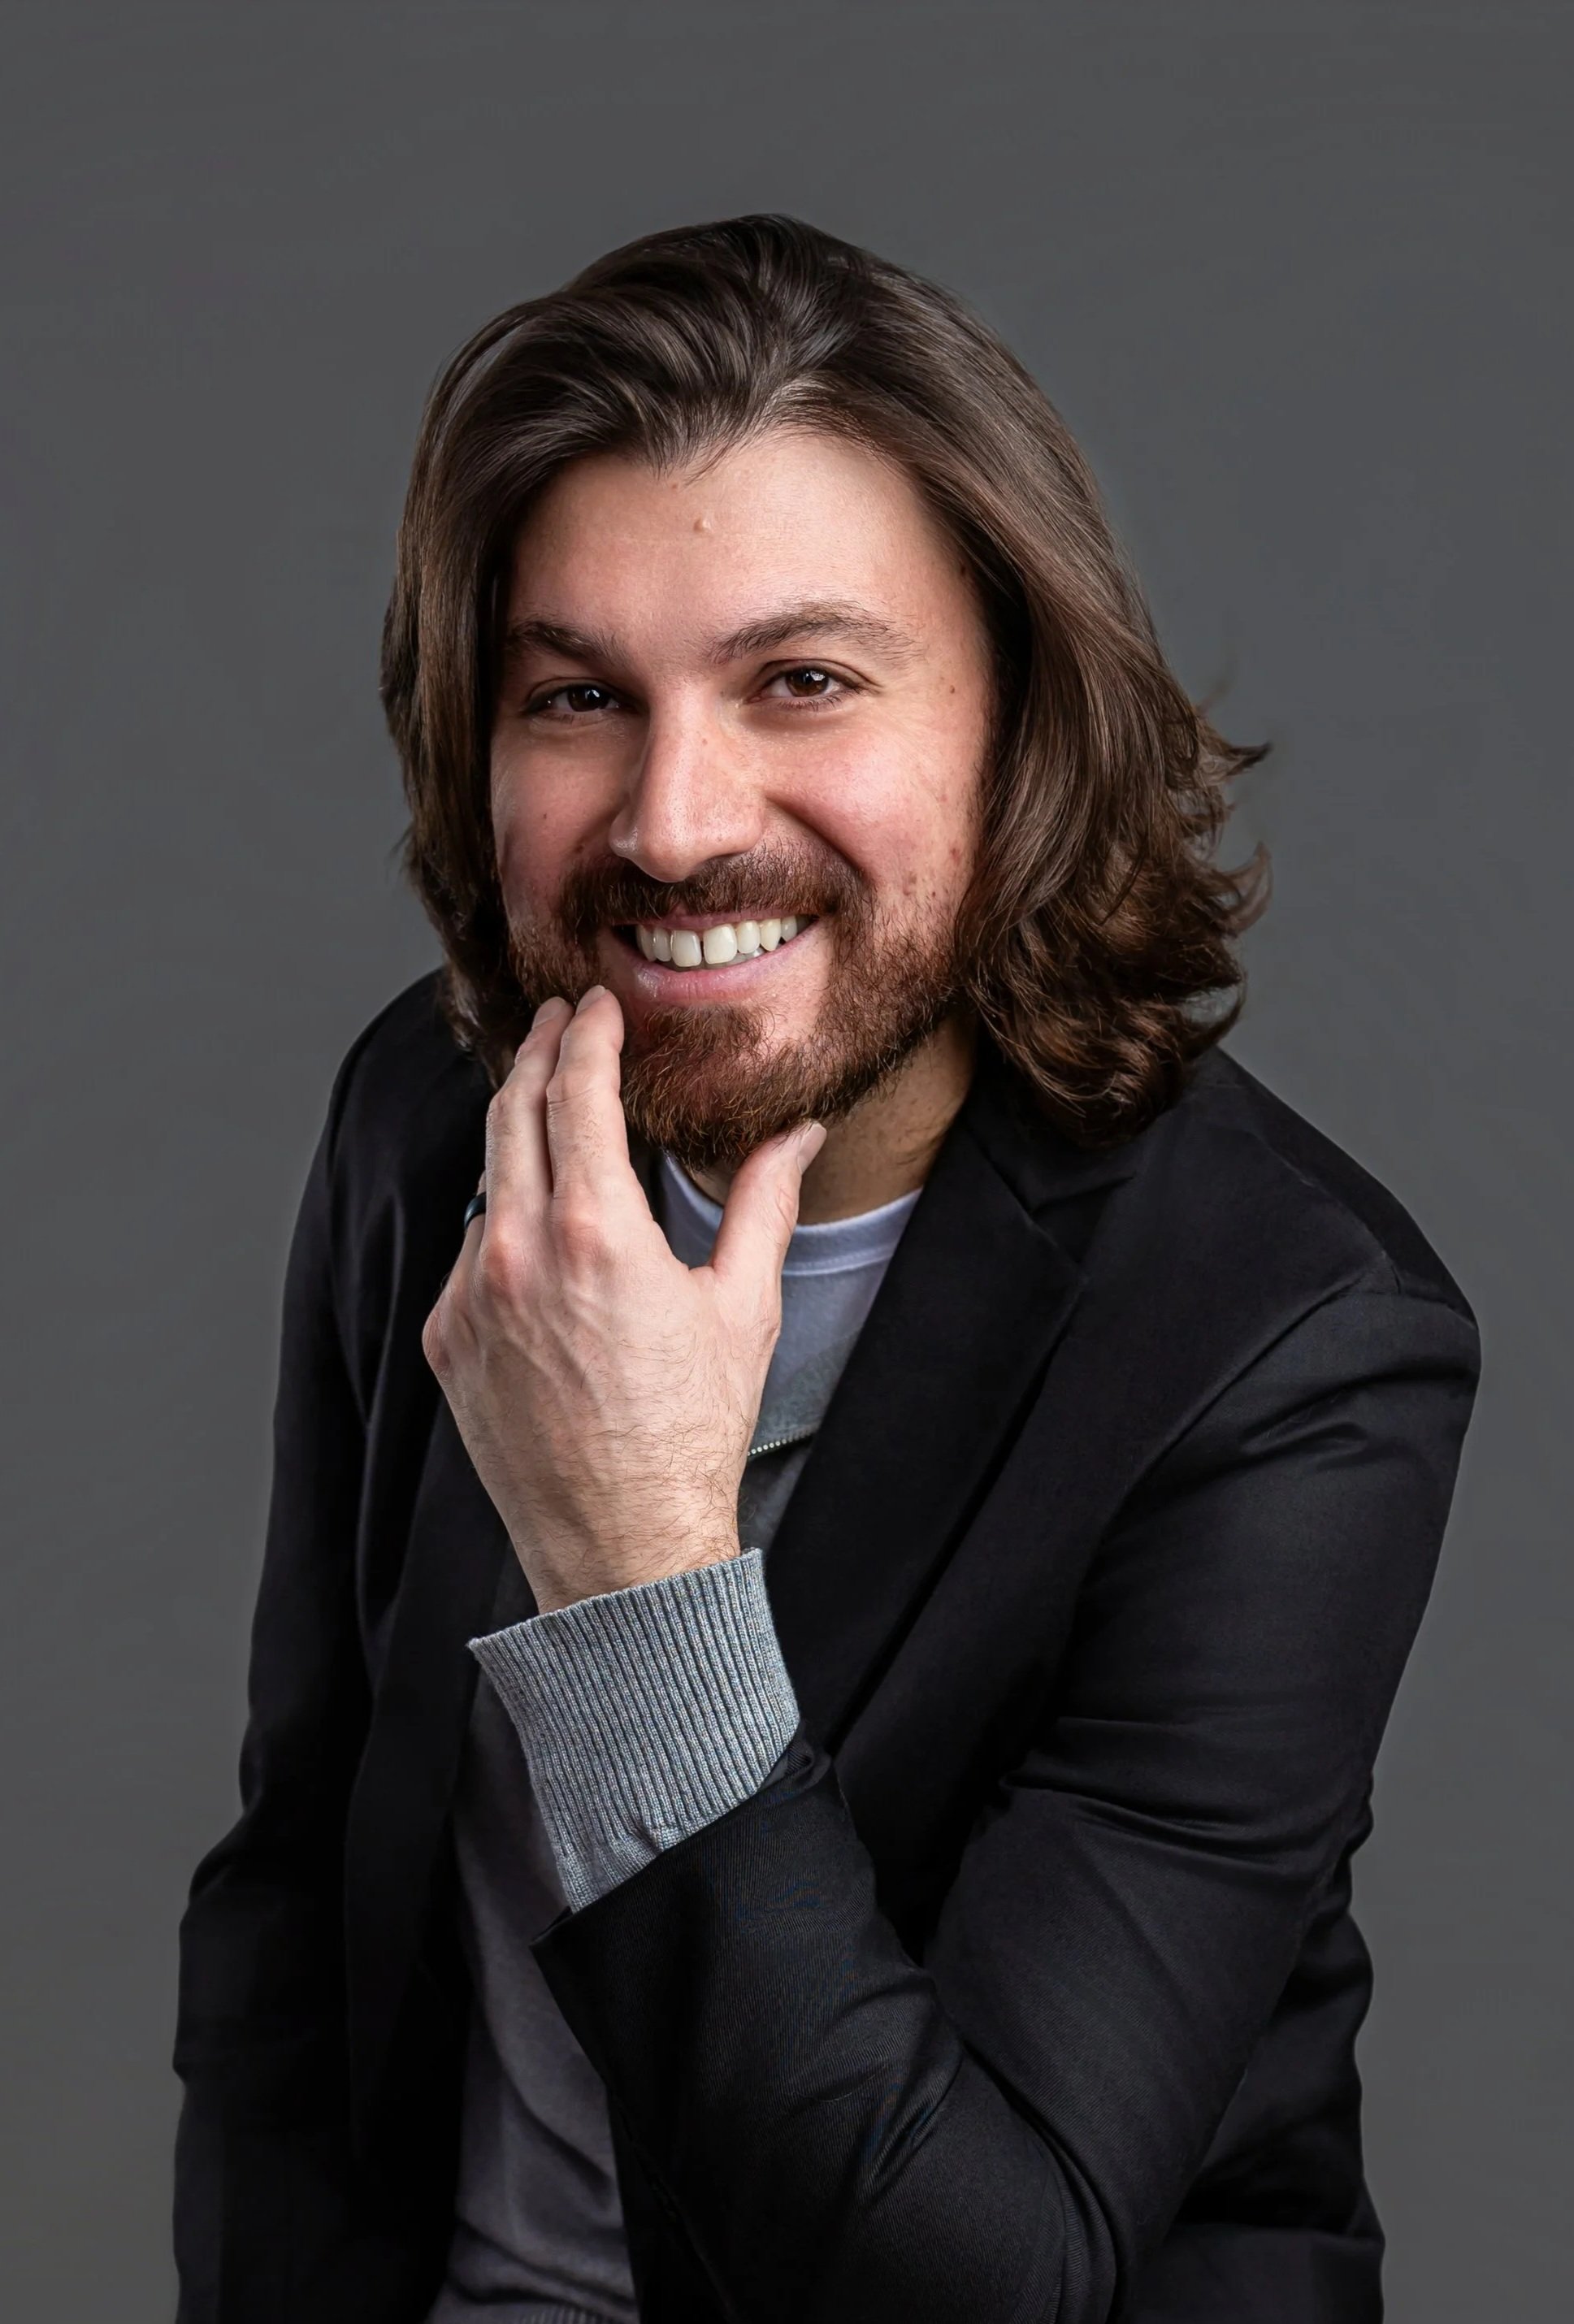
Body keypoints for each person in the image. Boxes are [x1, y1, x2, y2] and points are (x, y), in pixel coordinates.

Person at [171, 215, 1479, 2324]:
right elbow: (295, 1917)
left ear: (1017, 727)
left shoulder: (1283, 1343)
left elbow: (974, 2273)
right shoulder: (428, 1136)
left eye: (801, 679)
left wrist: (637, 1572)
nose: (674, 821)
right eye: (580, 695)